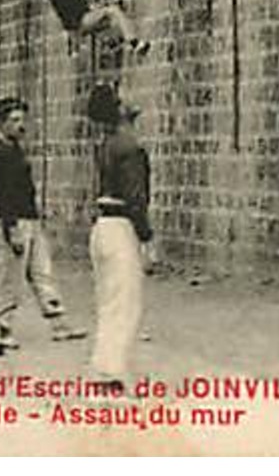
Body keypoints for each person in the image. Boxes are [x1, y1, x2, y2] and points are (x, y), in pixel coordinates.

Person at [0, 97, 87, 348]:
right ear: (1, 123)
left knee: (43, 272)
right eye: (14, 120)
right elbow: (3, 195)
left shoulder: (16, 151)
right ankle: (4, 329)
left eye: (22, 120)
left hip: (29, 219)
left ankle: (58, 323)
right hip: (14, 222)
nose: (21, 125)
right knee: (12, 277)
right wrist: (11, 229)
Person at [86, 85, 153, 390]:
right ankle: (112, 373)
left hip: (102, 227)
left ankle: (105, 367)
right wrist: (146, 236)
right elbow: (135, 198)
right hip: (121, 227)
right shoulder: (130, 146)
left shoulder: (106, 143)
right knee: (126, 303)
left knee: (108, 301)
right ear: (120, 109)